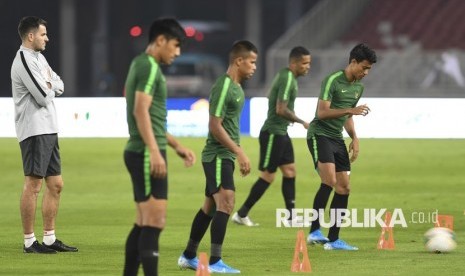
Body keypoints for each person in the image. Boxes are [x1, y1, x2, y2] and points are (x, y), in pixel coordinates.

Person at [123, 18, 196, 276]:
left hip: (143, 148)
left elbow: (150, 117)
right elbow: (140, 109)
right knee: (154, 221)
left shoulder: (139, 64)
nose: (177, 52)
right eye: (176, 45)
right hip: (144, 151)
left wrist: (175, 146)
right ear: (161, 40)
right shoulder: (150, 67)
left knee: (144, 222)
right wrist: (155, 151)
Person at [177, 40, 258, 274]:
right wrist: (239, 151)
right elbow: (215, 125)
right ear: (238, 61)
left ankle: (189, 255)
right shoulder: (223, 87)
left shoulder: (237, 88)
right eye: (251, 62)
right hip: (218, 155)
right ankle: (214, 262)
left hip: (225, 156)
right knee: (227, 202)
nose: (254, 67)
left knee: (210, 207)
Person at [11, 16, 78, 254]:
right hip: (34, 129)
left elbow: (59, 83)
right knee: (33, 185)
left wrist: (51, 84)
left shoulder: (39, 58)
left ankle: (49, 238)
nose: (47, 38)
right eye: (43, 34)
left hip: (49, 127)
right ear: (31, 36)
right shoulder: (23, 60)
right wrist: (50, 85)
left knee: (56, 184)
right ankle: (30, 241)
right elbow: (42, 94)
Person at [306, 43, 377, 250]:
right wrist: (351, 110)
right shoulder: (332, 81)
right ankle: (314, 231)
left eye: (369, 69)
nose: (365, 72)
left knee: (344, 187)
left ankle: (334, 240)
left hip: (337, 137)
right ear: (353, 62)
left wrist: (354, 137)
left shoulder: (358, 87)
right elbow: (322, 113)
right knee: (329, 180)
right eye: (363, 67)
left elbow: (348, 116)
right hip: (319, 134)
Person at [232, 46, 311, 227]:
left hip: (281, 132)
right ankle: (241, 214)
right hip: (273, 133)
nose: (308, 67)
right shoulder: (287, 78)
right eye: (305, 63)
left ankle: (291, 218)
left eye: (309, 63)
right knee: (268, 176)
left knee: (290, 171)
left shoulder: (287, 76)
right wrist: (302, 122)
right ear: (294, 63)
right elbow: (280, 109)